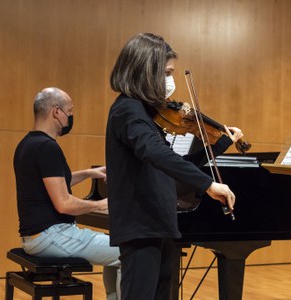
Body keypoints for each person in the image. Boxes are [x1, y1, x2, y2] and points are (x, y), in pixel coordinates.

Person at [106, 33, 242, 300]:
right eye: (167, 72)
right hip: (141, 227)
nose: (171, 81)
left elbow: (173, 166)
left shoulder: (146, 113)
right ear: (146, 71)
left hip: (158, 223)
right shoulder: (128, 110)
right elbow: (153, 151)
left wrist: (219, 144)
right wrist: (208, 184)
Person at [13, 87, 121, 300]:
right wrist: (103, 204)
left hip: (35, 237)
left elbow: (55, 182)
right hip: (52, 235)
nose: (71, 116)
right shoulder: (47, 147)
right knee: (129, 252)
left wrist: (90, 173)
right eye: (69, 111)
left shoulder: (27, 143)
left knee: (118, 246)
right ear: (56, 112)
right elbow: (64, 204)